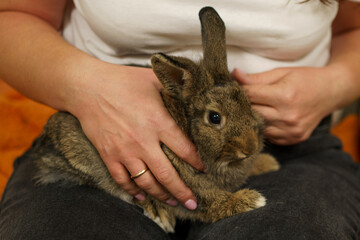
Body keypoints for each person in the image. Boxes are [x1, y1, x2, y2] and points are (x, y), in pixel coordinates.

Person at [0, 0, 359, 239]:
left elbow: (353, 28)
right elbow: (13, 14)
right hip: (104, 134)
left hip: (286, 142)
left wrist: (333, 84)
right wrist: (88, 87)